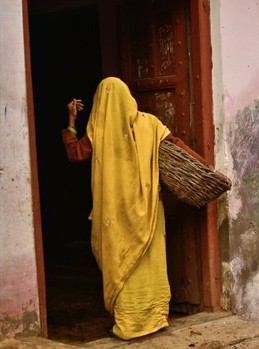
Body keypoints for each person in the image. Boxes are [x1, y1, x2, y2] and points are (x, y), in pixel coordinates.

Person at [61, 77, 212, 340]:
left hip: (113, 215)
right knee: (149, 262)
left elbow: (75, 154)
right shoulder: (150, 124)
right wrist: (206, 169)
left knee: (120, 264)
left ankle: (128, 322)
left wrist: (71, 122)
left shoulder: (98, 128)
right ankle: (154, 318)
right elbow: (177, 147)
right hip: (149, 209)